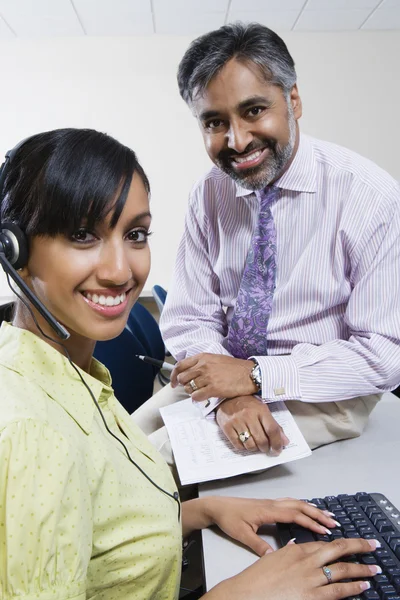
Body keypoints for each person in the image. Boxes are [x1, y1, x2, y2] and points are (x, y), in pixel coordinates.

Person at [0, 128, 380, 599]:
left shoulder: (67, 373)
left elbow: (101, 524)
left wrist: (203, 511)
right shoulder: (33, 433)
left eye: (135, 234)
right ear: (13, 250)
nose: (122, 271)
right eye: (83, 236)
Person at [135, 22, 400, 458]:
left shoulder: (370, 197)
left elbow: (382, 354)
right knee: (111, 450)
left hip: (323, 391)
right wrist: (229, 393)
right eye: (215, 122)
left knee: (147, 474)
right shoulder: (209, 193)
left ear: (293, 101)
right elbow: (188, 318)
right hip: (221, 382)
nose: (237, 140)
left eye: (254, 111)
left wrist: (255, 377)